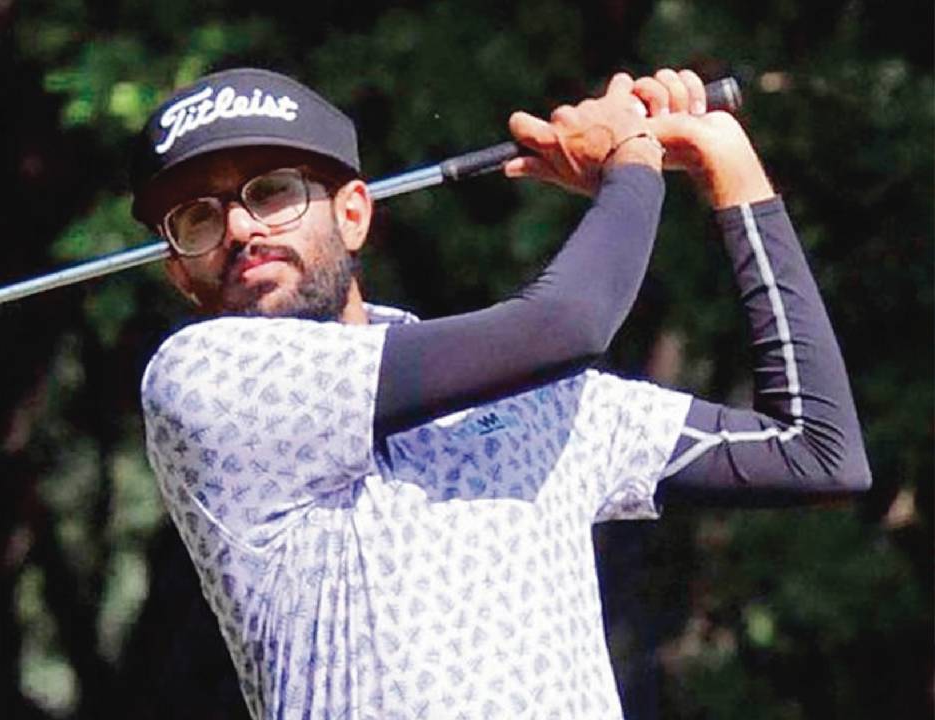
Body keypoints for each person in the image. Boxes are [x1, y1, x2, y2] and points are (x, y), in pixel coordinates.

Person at [129, 66, 870, 719]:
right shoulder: (200, 380)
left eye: (272, 193)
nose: (239, 227)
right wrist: (634, 159)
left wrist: (729, 169)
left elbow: (814, 453)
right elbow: (568, 323)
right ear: (179, 273)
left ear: (352, 214)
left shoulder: (530, 397)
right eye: (198, 217)